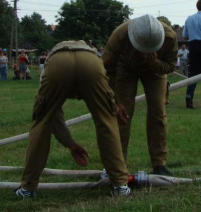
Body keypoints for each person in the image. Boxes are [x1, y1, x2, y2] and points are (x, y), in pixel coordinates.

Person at [15, 40, 131, 199]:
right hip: (91, 62)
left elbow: (53, 117)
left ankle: (28, 188)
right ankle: (120, 185)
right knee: (106, 122)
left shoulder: (51, 60)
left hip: (58, 63)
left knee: (42, 122)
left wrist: (70, 144)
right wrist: (71, 144)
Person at [102, 14, 177, 176]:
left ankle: (159, 164)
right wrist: (115, 101)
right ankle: (118, 164)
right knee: (122, 115)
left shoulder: (170, 38)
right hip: (125, 68)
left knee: (158, 113)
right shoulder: (119, 36)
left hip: (156, 71)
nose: (145, 53)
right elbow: (106, 69)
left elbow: (170, 66)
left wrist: (154, 62)